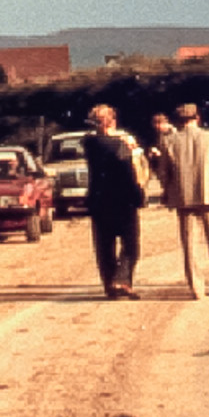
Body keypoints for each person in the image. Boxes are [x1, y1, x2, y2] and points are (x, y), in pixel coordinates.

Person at [161, 102, 209, 299]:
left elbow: (163, 173)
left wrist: (168, 192)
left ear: (178, 120)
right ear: (197, 118)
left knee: (189, 244)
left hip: (182, 197)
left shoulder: (169, 141)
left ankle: (196, 287)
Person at [81, 103, 148, 299]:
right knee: (131, 245)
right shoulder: (121, 146)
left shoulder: (89, 143)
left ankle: (110, 285)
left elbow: (97, 139)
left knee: (104, 246)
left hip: (99, 200)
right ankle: (122, 280)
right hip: (123, 200)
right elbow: (130, 172)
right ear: (113, 121)